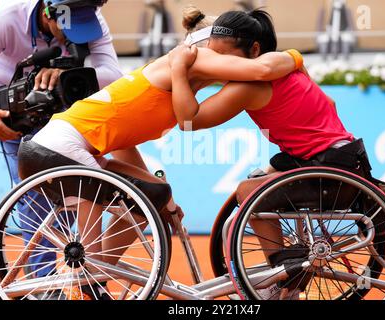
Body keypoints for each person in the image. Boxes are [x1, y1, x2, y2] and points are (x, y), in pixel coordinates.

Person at [16, 8, 303, 299]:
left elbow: (124, 143)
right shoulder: (194, 57)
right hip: (58, 147)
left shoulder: (185, 75)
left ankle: (96, 279)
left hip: (61, 146)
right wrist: (295, 57)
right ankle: (89, 279)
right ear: (209, 44)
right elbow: (263, 70)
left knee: (152, 196)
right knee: (89, 255)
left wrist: (164, 197)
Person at [169, 11, 374, 300]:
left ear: (254, 50)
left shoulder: (249, 84)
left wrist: (179, 71)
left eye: (227, 59)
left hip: (330, 169)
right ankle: (288, 264)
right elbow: (329, 101)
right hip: (345, 157)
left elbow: (188, 121)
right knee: (262, 176)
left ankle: (285, 275)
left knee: (247, 192)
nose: (222, 66)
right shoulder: (285, 66)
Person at [0, 0, 142, 281]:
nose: (75, 36)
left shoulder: (89, 16)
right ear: (48, 13)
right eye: (69, 27)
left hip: (60, 113)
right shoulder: (5, 16)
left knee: (71, 194)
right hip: (9, 113)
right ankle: (44, 282)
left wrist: (65, 76)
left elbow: (113, 75)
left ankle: (71, 280)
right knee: (36, 197)